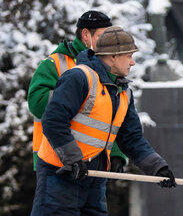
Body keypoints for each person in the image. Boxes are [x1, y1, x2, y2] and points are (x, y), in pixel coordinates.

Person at [27, 26, 176, 216]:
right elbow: (53, 120)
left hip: (93, 179)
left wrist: (157, 168)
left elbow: (131, 137)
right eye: (129, 55)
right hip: (60, 175)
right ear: (113, 56)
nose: (133, 62)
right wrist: (73, 159)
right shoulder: (79, 78)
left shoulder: (123, 91)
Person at [28, 10, 128, 173]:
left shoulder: (107, 67)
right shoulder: (55, 63)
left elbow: (110, 117)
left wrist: (116, 154)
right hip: (55, 162)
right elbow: (36, 103)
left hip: (94, 163)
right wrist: (76, 96)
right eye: (102, 37)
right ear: (85, 35)